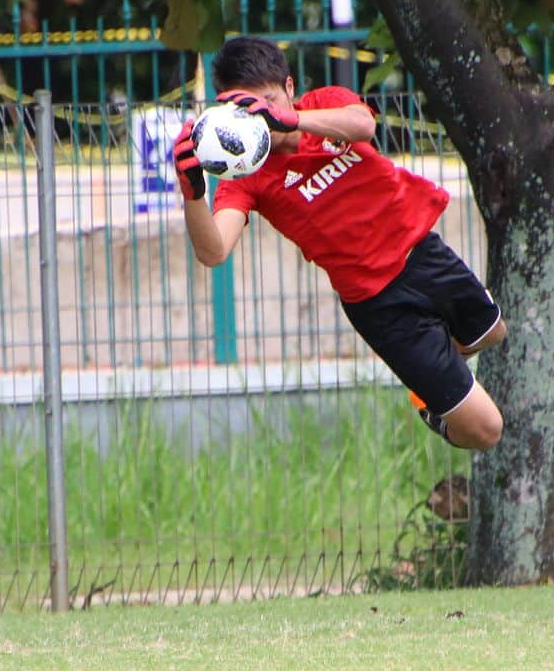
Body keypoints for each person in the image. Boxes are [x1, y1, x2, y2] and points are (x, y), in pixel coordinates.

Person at [172, 36, 506, 450]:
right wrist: (192, 193)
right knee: (486, 431)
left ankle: (428, 380)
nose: (263, 119)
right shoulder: (248, 177)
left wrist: (292, 121)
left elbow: (364, 125)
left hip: (424, 254)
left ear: (290, 89)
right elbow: (214, 251)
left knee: (492, 332)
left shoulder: (323, 106)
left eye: (270, 102)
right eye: (247, 110)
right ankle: (429, 398)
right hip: (381, 303)